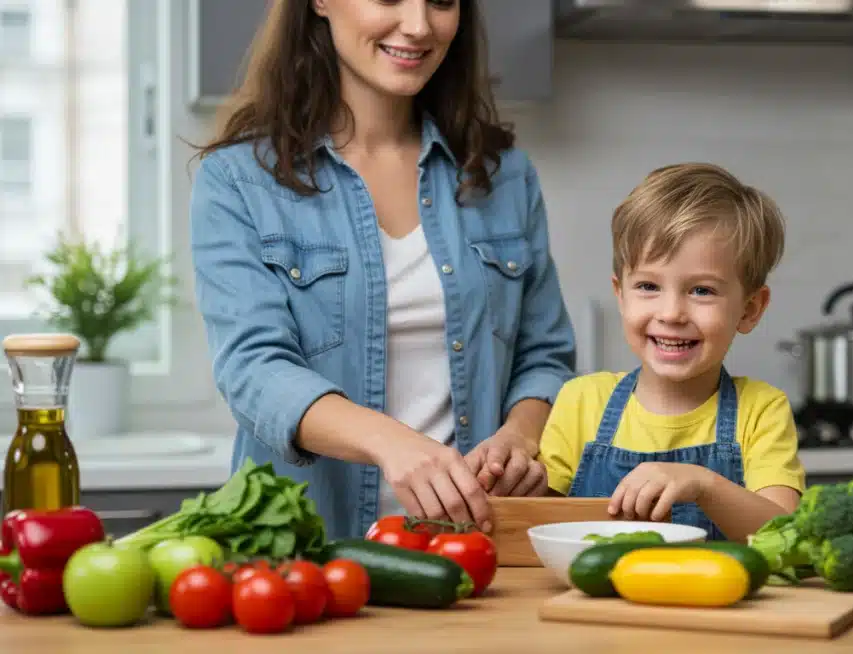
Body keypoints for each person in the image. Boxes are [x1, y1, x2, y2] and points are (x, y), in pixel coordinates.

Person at [187, 0, 575, 541]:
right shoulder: (238, 181)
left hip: (474, 548)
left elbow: (545, 356)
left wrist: (520, 436)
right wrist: (393, 443)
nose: (418, 26)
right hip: (310, 554)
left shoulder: (504, 175)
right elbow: (253, 369)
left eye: (440, 1)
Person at [537, 163, 804, 543]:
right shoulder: (581, 401)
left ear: (750, 309)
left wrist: (704, 484)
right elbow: (540, 525)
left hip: (718, 601)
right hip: (602, 602)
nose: (671, 314)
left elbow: (785, 535)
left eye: (702, 291)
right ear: (621, 295)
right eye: (648, 286)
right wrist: (516, 482)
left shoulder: (761, 410)